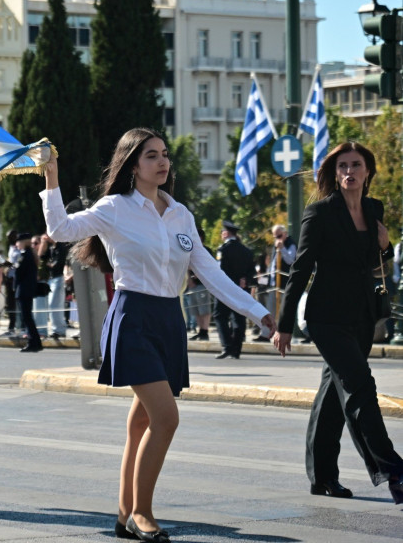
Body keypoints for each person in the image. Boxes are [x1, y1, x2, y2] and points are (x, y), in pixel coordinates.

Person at [41, 127, 274, 542]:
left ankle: (123, 513)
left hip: (169, 320)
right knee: (166, 419)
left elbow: (210, 272)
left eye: (164, 154)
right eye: (151, 155)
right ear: (132, 165)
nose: (162, 161)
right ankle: (142, 513)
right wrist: (51, 177)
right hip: (132, 317)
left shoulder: (181, 214)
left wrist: (258, 312)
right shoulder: (114, 207)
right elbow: (59, 229)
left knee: (142, 422)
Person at [273, 141, 403, 505]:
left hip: (362, 316)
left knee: (333, 395)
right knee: (360, 386)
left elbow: (374, 260)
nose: (349, 172)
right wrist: (284, 324)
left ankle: (323, 476)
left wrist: (386, 245)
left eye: (356, 165)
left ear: (367, 171)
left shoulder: (373, 209)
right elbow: (300, 269)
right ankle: (394, 470)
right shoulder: (320, 212)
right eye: (342, 166)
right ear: (335, 173)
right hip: (326, 318)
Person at [213, 220, 255, 359]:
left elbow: (219, 270)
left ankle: (227, 345)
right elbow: (252, 271)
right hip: (241, 288)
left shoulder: (223, 250)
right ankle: (237, 349)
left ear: (226, 233)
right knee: (239, 317)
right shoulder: (246, 251)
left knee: (220, 316)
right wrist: (245, 279)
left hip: (225, 289)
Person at [257, 224, 297, 342]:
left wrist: (282, 248)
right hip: (274, 284)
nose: (277, 239)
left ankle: (285, 334)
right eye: (275, 237)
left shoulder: (290, 244)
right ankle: (265, 334)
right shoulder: (276, 245)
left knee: (284, 311)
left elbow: (290, 260)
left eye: (279, 236)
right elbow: (273, 263)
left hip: (284, 284)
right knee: (269, 310)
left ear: (285, 233)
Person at [13, 233, 42, 352]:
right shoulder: (30, 254)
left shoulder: (24, 255)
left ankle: (33, 342)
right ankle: (36, 342)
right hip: (28, 289)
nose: (16, 244)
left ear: (23, 242)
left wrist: (12, 267)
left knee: (26, 318)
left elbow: (18, 272)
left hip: (23, 290)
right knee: (28, 317)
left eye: (18, 242)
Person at [184, 227, 214, 341]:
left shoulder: (206, 250)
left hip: (202, 284)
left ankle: (205, 330)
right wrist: (189, 280)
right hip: (193, 284)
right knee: (195, 309)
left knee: (204, 309)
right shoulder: (189, 249)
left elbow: (210, 266)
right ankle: (200, 330)